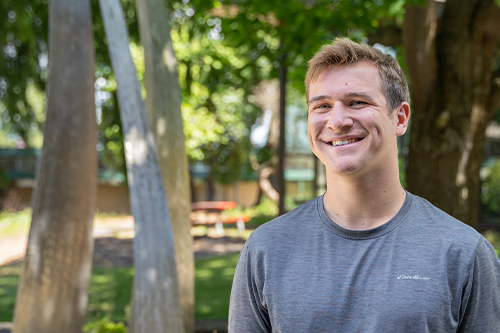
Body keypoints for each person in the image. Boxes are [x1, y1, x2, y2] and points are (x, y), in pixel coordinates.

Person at [228, 38, 500, 332]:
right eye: (322, 106)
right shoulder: (266, 249)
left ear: (400, 118)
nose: (337, 120)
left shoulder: (463, 253)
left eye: (357, 102)